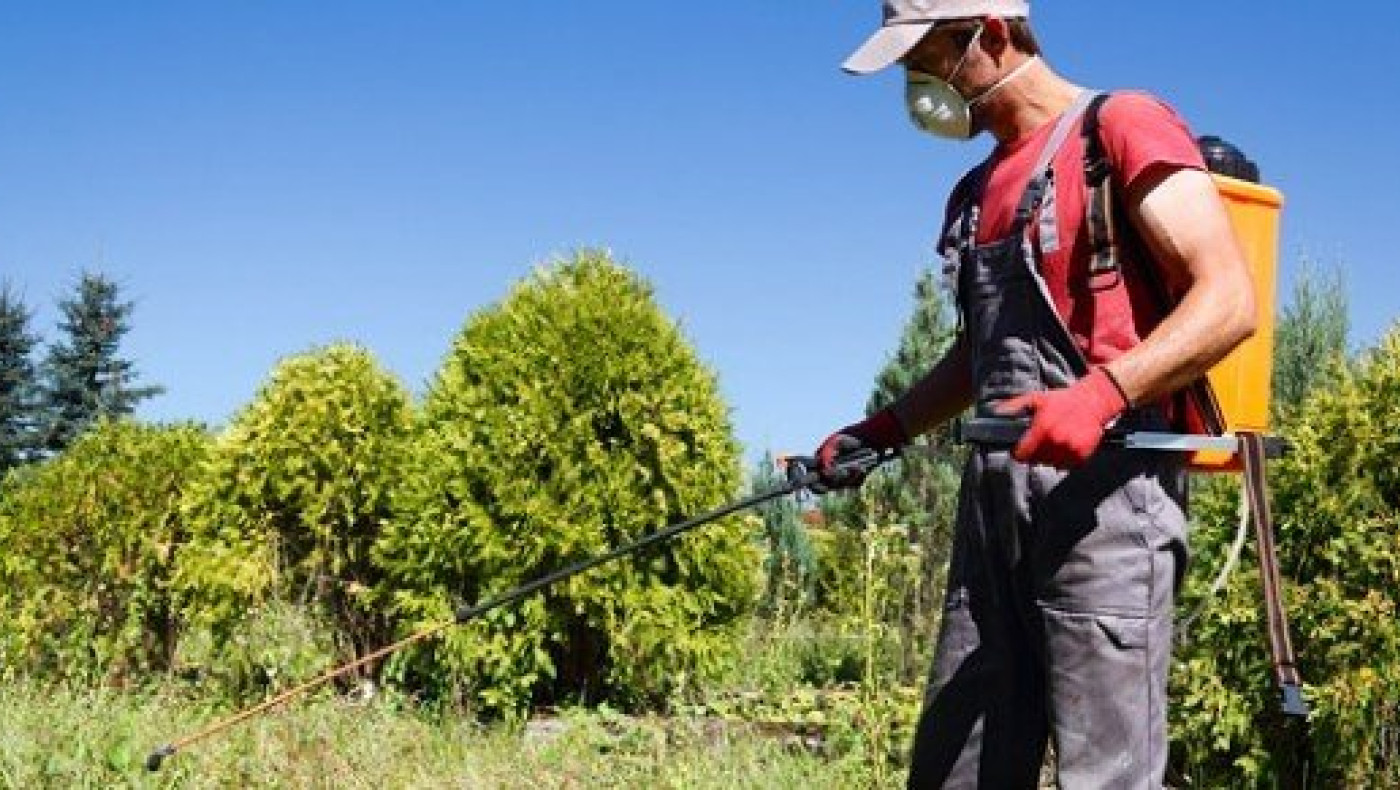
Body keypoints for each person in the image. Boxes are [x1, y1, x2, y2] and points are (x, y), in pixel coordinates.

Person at [814, 1, 1258, 787]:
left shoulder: (1120, 127)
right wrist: (886, 428)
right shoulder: (975, 188)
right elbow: (980, 356)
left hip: (1109, 503)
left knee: (1104, 774)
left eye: (924, 57)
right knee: (960, 767)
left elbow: (1227, 301)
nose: (917, 83)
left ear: (988, 34)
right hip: (993, 509)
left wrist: (1100, 394)